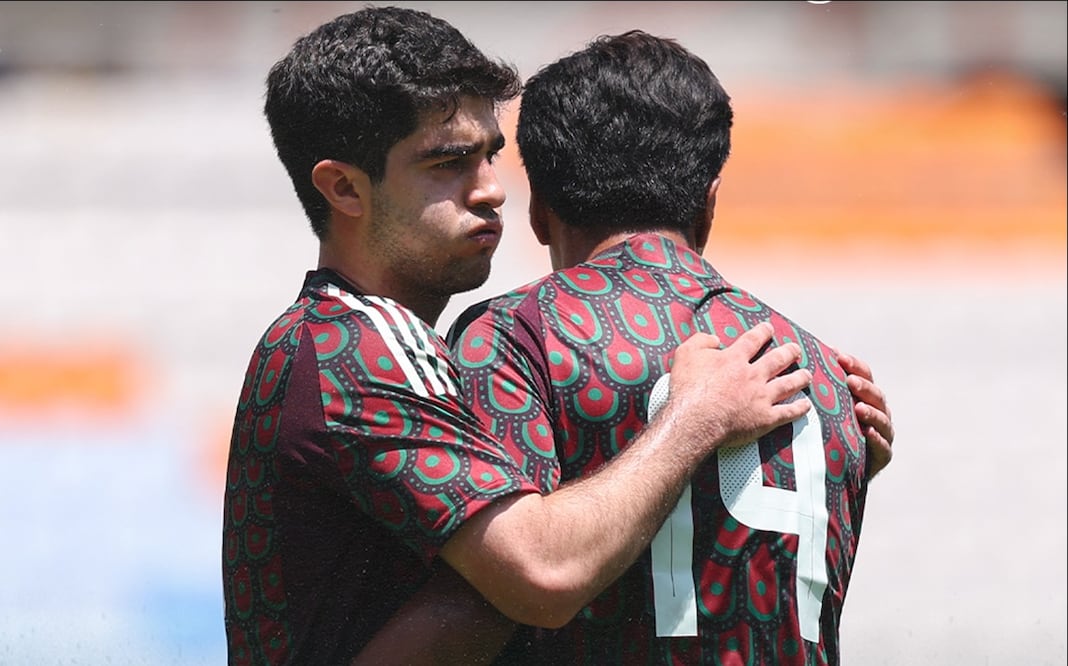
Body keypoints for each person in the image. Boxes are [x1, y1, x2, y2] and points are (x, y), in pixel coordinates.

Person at [221, 8, 827, 664]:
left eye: (489, 155)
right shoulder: (356, 346)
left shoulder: (339, 338)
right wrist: (696, 418)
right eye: (448, 162)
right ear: (344, 188)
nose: (491, 190)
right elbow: (542, 574)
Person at [354, 30, 896, 665]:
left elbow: (504, 587)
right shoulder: (826, 375)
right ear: (709, 203)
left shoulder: (518, 335)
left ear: (539, 212)